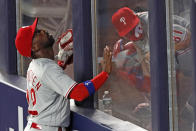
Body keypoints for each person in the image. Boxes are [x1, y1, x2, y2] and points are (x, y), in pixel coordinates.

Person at [15, 18, 112, 131]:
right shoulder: (47, 69)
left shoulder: (35, 65)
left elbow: (49, 82)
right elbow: (79, 93)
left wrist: (62, 63)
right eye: (36, 33)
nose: (42, 31)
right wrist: (105, 73)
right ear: (34, 47)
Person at [111, 7, 192, 130]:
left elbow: (187, 39)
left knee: (178, 71)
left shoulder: (157, 26)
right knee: (129, 59)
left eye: (133, 28)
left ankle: (176, 111)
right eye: (128, 33)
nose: (133, 34)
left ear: (137, 19)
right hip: (163, 50)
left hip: (187, 44)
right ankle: (162, 105)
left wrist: (162, 52)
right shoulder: (129, 41)